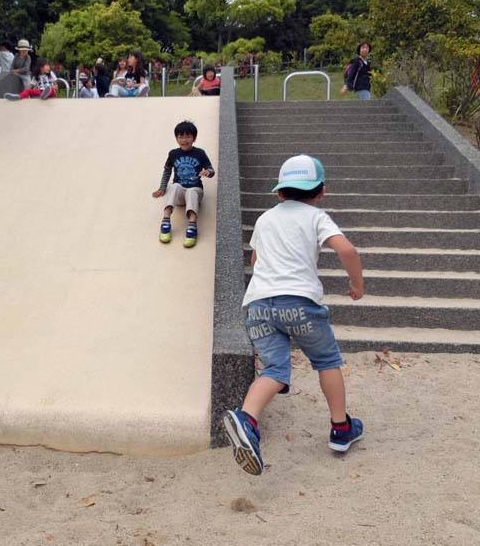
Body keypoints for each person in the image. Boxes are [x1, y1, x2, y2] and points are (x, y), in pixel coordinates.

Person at [222, 154, 365, 476]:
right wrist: (356, 284)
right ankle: (341, 429)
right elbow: (347, 250)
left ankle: (247, 420)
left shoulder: (264, 219)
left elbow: (257, 261)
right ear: (321, 191)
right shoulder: (317, 217)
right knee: (326, 361)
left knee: (274, 367)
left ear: (279, 192)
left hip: (258, 303)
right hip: (299, 302)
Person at [151, 120, 214, 248]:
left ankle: (192, 226)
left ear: (194, 138)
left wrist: (208, 172)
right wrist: (162, 187)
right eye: (181, 136)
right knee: (175, 186)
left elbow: (211, 169)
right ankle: (166, 221)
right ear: (176, 139)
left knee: (191, 191)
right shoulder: (173, 154)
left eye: (188, 136)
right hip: (179, 195)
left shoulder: (200, 153)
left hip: (195, 192)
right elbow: (167, 170)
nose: (184, 140)